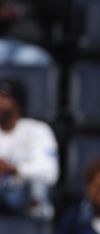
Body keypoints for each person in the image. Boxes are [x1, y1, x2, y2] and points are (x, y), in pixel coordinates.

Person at [0, 79, 57, 218]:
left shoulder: (37, 130)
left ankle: (36, 231)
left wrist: (13, 169)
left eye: (4, 96)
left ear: (17, 102)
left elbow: (50, 172)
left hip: (25, 199)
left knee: (38, 185)